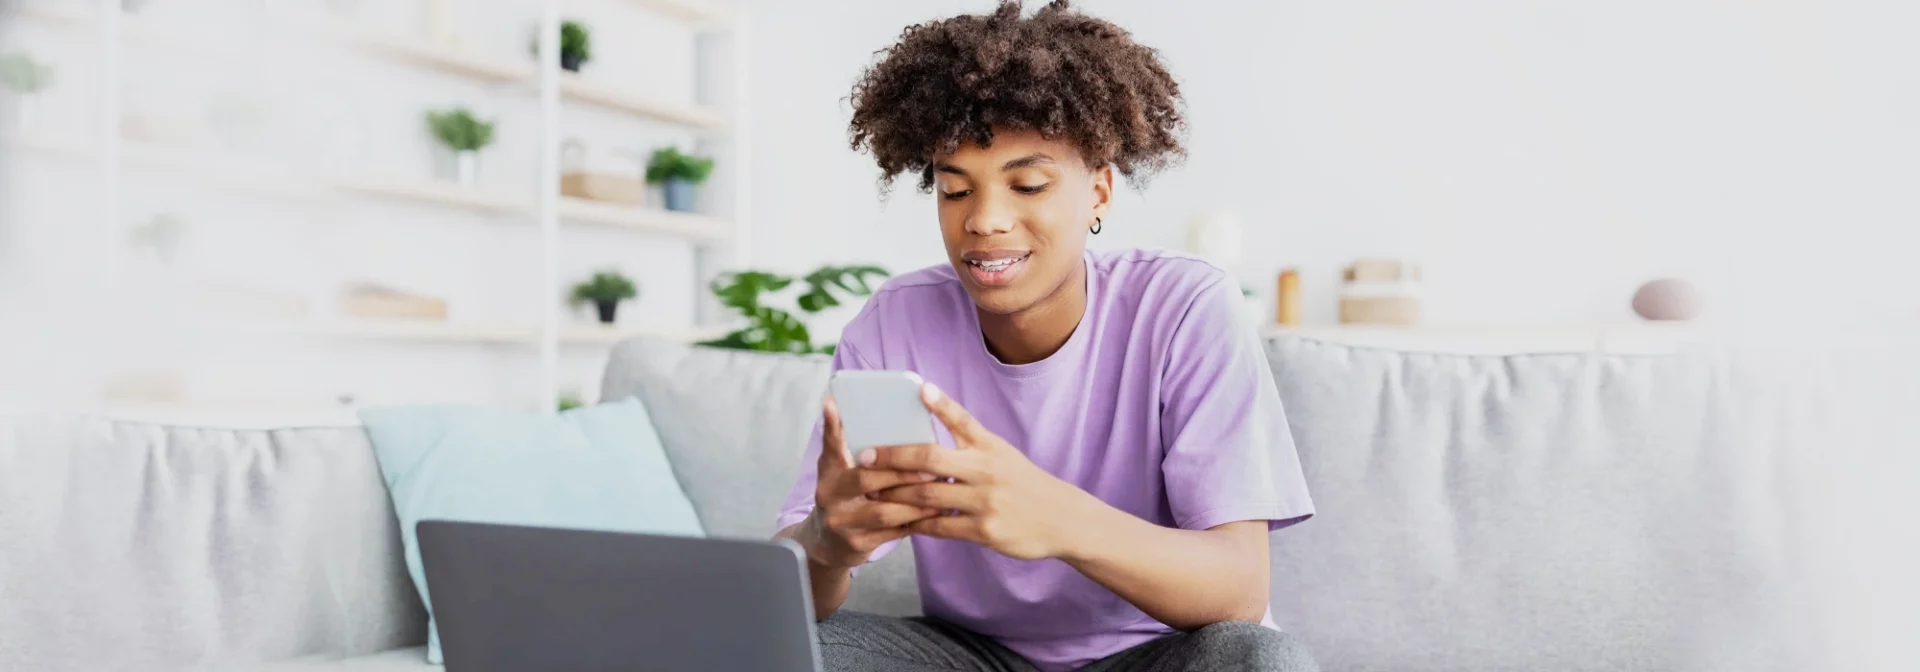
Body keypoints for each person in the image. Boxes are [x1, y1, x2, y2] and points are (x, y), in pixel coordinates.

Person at [773, 2, 1318, 670]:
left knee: (1256, 661)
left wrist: (1054, 518)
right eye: (954, 191)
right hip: (971, 655)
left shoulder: (1183, 307)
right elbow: (798, 586)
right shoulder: (894, 323)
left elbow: (1239, 586)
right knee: (784, 648)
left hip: (1151, 653)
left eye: (1028, 184)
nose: (985, 220)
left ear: (1099, 193)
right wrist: (828, 542)